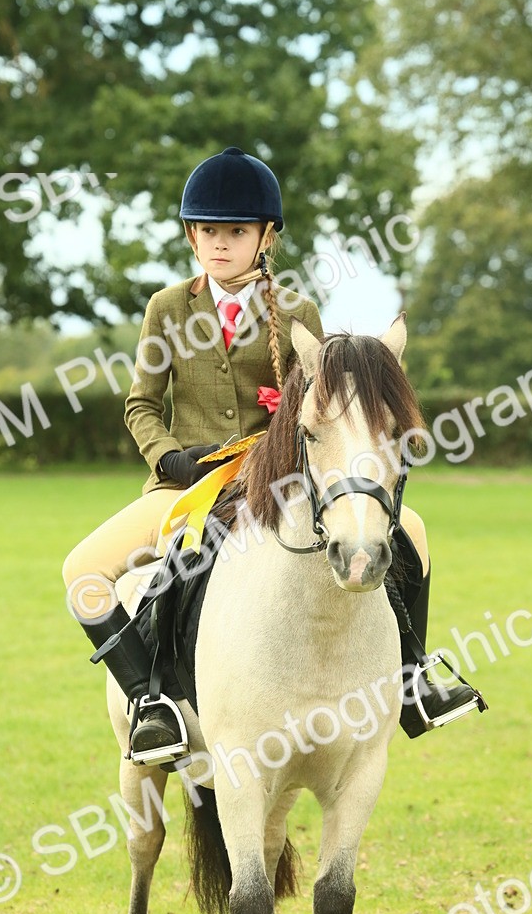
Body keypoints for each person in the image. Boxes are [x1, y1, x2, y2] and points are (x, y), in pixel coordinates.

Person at [62, 146, 480, 766]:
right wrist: (170, 458)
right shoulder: (167, 309)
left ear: (265, 236)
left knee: (411, 530)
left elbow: (319, 412)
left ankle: (413, 677)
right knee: (82, 573)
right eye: (209, 231)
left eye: (236, 231)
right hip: (187, 486)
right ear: (190, 235)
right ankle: (154, 703)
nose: (220, 243)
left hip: (276, 485)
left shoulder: (298, 311)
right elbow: (140, 406)